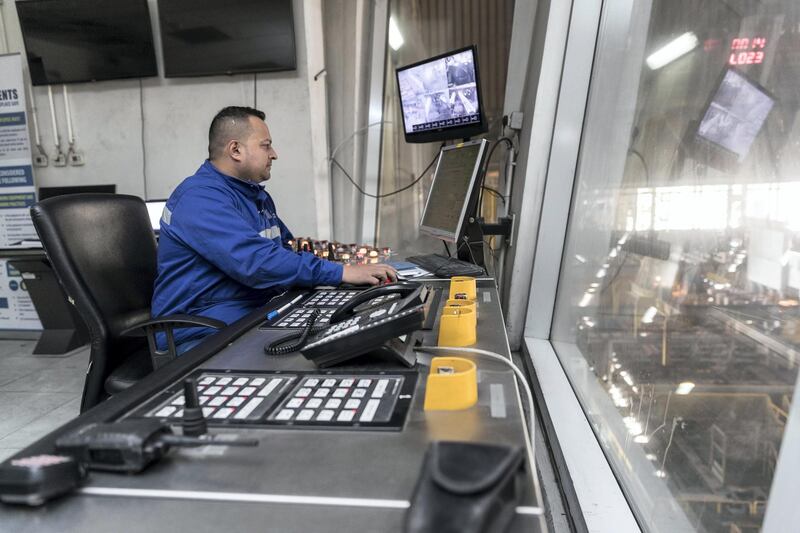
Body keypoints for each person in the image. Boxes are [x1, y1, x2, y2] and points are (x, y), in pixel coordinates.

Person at [152, 106, 397, 354]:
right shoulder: (200, 198)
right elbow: (257, 262)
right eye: (266, 145)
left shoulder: (254, 196)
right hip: (199, 332)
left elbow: (290, 249)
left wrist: (363, 259)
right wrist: (341, 272)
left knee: (347, 335)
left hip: (247, 317)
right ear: (235, 150)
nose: (274, 154)